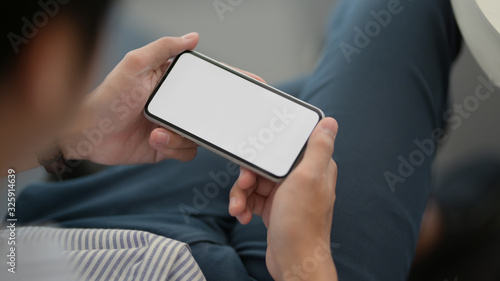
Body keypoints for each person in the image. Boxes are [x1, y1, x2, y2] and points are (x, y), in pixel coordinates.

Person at [2, 0, 466, 280]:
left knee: (302, 114)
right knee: (396, 20)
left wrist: (67, 137)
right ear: (48, 61)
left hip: (56, 229)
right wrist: (308, 262)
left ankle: (426, 221)